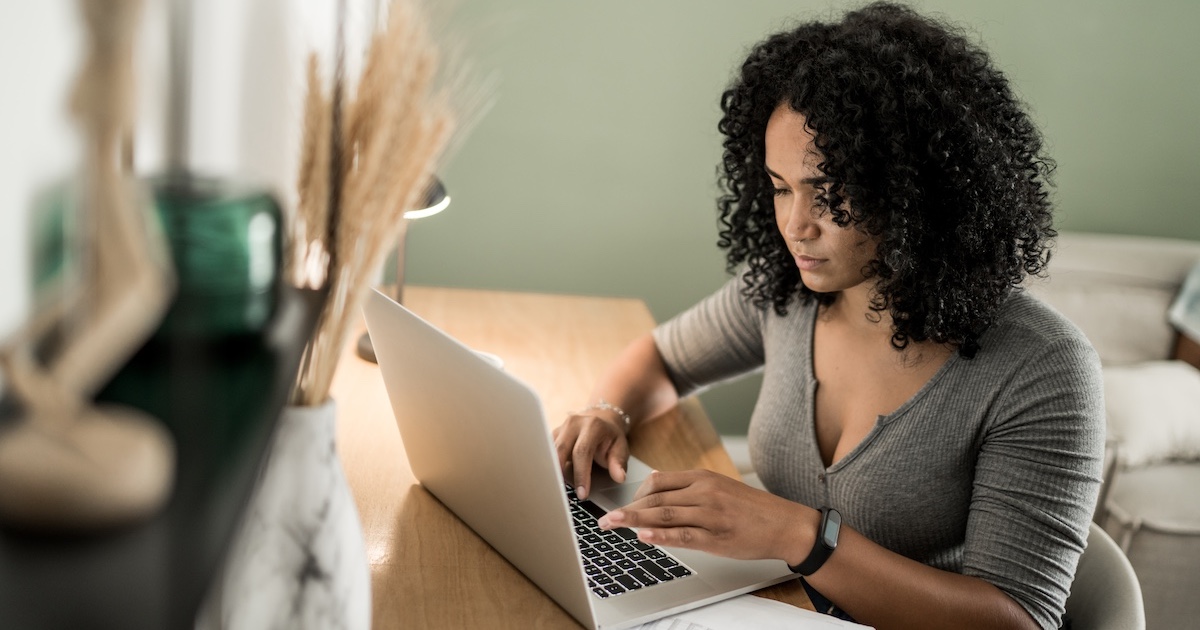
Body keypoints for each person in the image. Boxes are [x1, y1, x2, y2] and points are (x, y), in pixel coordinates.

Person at [552, 3, 1104, 629]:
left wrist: (804, 536)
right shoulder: (788, 291)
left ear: (914, 186)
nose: (795, 226)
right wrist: (609, 413)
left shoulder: (1044, 367)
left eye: (830, 193)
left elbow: (1020, 620)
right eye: (781, 187)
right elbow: (661, 359)